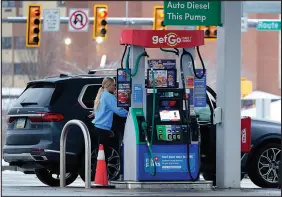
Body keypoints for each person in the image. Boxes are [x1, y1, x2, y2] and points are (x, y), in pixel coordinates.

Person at [88, 77, 128, 166]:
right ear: (109, 85)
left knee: (100, 154)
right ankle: (102, 175)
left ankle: (97, 174)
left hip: (97, 127)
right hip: (103, 129)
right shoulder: (108, 97)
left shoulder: (102, 94)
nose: (115, 87)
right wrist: (130, 114)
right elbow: (119, 110)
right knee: (103, 155)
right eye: (114, 85)